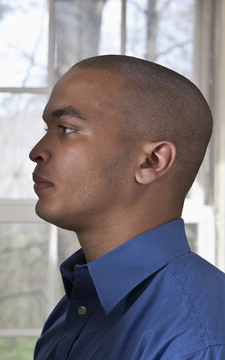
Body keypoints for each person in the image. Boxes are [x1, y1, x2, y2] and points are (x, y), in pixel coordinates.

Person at [30, 55, 225, 359]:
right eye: (47, 128)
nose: (36, 152)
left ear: (152, 161)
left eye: (66, 128)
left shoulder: (197, 341)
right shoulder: (71, 312)